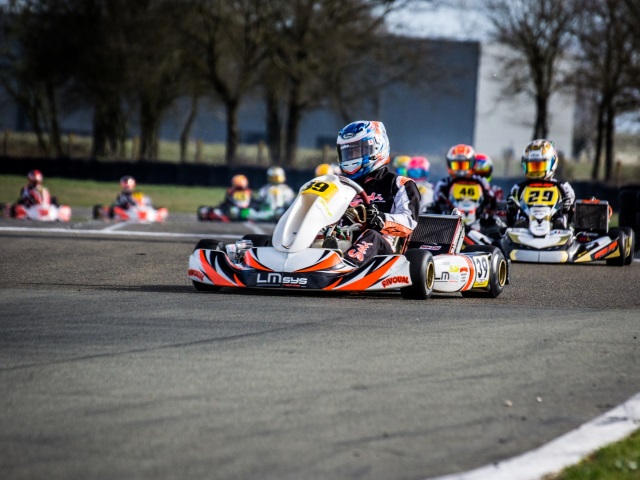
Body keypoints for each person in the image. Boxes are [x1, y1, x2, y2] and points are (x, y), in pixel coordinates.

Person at [334, 120, 421, 267]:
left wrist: (381, 219)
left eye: (356, 151)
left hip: (384, 249)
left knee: (372, 235)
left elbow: (409, 222)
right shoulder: (339, 185)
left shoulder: (399, 184)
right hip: (343, 240)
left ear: (376, 148)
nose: (351, 157)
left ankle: (345, 267)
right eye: (347, 153)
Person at [507, 139, 575, 229]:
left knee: (560, 217)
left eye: (540, 166)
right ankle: (522, 223)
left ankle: (559, 223)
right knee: (522, 217)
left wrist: (567, 206)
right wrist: (512, 207)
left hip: (553, 225)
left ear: (552, 162)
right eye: (532, 166)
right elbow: (509, 215)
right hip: (527, 225)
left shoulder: (564, 187)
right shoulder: (518, 188)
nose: (536, 171)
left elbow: (572, 212)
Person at [432, 144, 496, 215]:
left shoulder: (481, 181)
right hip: (449, 219)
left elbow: (491, 200)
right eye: (456, 165)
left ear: (472, 163)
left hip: (479, 219)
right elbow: (436, 203)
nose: (460, 170)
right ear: (450, 164)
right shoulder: (444, 183)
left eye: (464, 165)